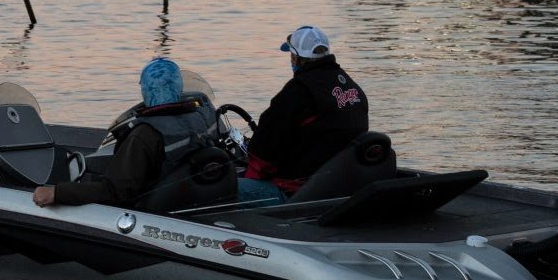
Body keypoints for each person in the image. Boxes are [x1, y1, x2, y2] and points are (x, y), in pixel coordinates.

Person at [33, 58, 210, 208]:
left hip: (149, 209)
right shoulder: (199, 118)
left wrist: (57, 192)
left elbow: (115, 192)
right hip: (187, 195)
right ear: (179, 85)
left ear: (145, 90)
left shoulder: (144, 135)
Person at [239, 26, 369, 203]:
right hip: (341, 183)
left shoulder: (297, 93)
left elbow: (262, 156)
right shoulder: (351, 87)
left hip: (295, 192)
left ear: (295, 57)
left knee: (223, 188)